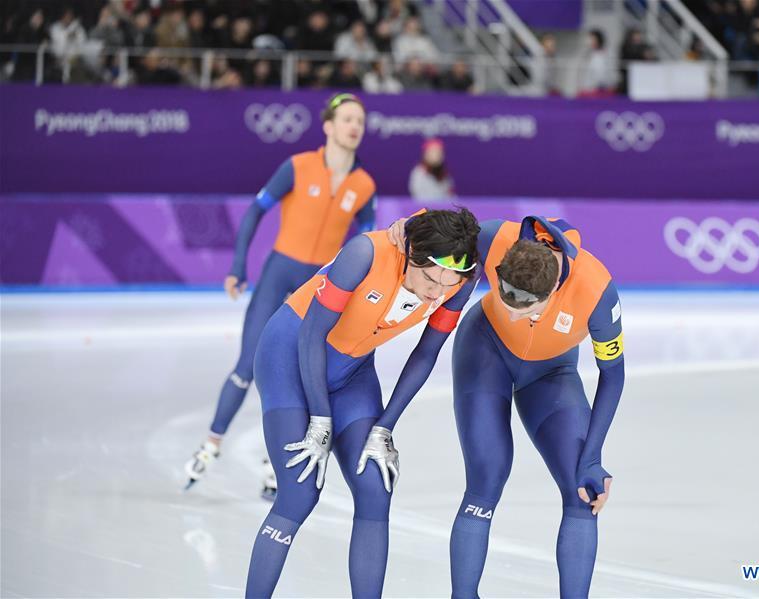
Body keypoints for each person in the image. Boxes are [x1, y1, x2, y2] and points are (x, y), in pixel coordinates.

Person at [245, 208, 480, 598]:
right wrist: (320, 420)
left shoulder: (460, 280)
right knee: (299, 491)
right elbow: (310, 335)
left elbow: (426, 354)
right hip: (290, 358)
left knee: (375, 488)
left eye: (448, 282)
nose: (438, 292)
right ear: (411, 252)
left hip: (352, 375)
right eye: (429, 278)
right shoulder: (365, 255)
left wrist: (385, 426)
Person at [387, 215, 626, 597]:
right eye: (506, 299)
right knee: (485, 480)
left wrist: (593, 456)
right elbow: (445, 224)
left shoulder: (596, 291)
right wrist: (409, 223)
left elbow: (612, 376)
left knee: (583, 491)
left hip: (551, 375)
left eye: (527, 309)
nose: (515, 316)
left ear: (553, 292)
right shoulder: (499, 237)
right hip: (486, 351)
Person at [184, 93, 377, 496]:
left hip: (320, 289)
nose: (354, 126)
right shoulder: (298, 166)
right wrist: (238, 266)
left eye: (360, 120)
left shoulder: (364, 185)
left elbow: (369, 238)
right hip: (278, 276)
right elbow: (255, 211)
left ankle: (276, 463)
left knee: (309, 373)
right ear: (328, 126)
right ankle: (211, 445)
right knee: (246, 366)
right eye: (347, 119)